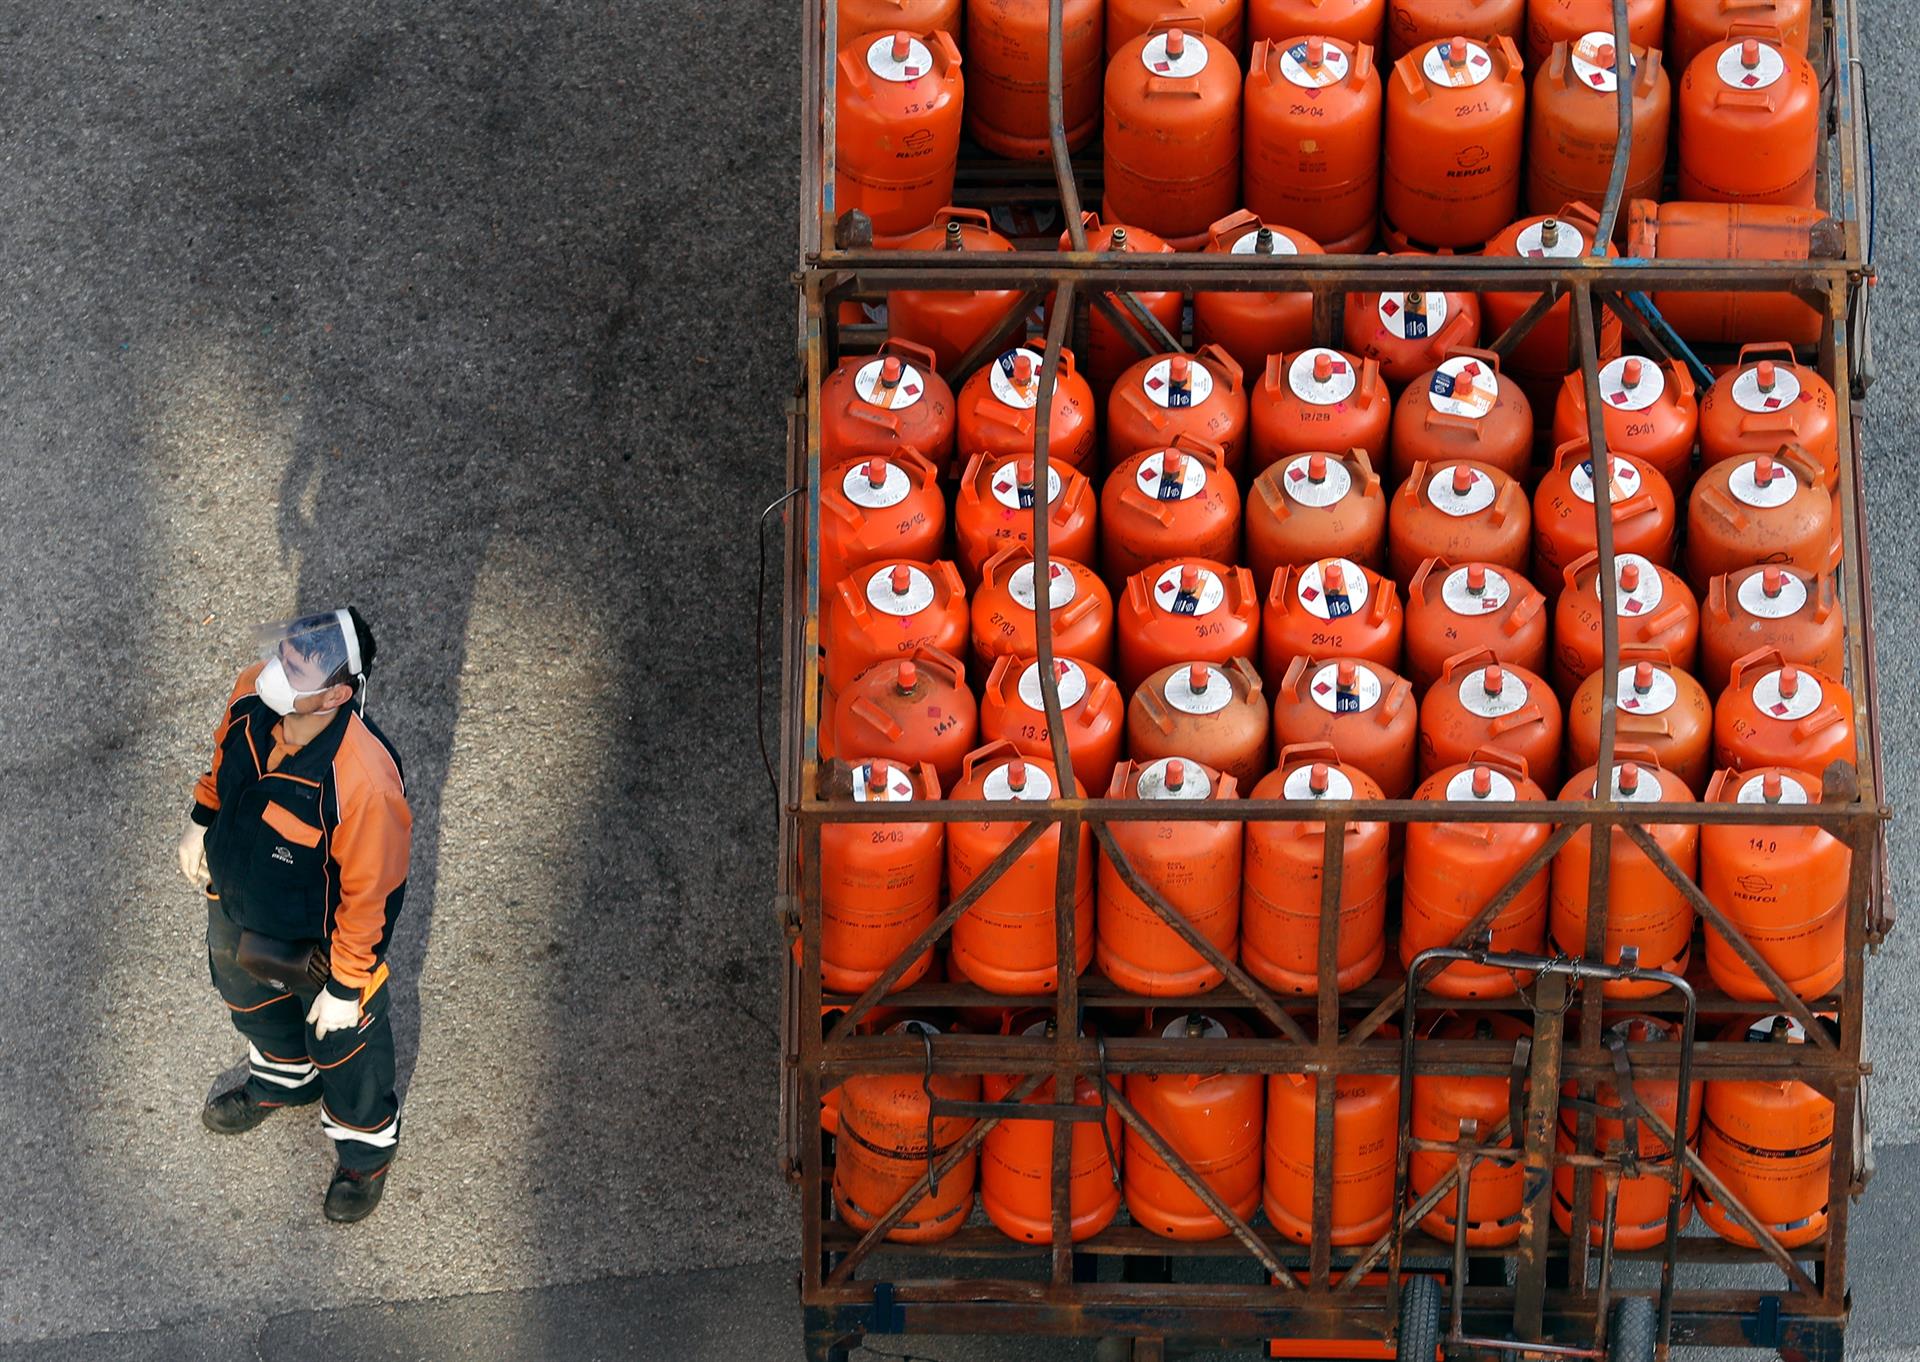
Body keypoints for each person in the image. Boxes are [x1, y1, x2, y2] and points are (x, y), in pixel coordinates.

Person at [176, 607, 412, 1222]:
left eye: (296, 668)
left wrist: (345, 984)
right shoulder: (253, 693)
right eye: (284, 656)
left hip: (323, 943)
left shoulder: (364, 782)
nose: (276, 673)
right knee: (241, 987)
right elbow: (222, 763)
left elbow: (372, 897)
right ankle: (285, 1079)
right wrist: (200, 822)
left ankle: (364, 1153)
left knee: (346, 1047)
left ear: (337, 693)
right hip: (239, 899)